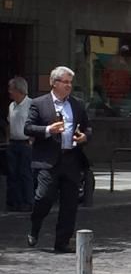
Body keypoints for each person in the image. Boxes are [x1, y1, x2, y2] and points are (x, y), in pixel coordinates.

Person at [25, 66, 91, 252]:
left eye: (71, 82)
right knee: (44, 197)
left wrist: (85, 137)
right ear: (54, 83)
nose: (69, 86)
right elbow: (28, 128)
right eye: (65, 82)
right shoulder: (39, 103)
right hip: (48, 161)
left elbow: (88, 127)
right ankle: (35, 227)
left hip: (71, 159)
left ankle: (62, 241)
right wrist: (48, 130)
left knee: (70, 204)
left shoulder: (77, 104)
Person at [6, 77, 34, 212]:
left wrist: (32, 140)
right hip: (13, 143)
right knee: (13, 174)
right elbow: (9, 123)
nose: (9, 92)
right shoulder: (11, 106)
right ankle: (14, 202)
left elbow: (36, 123)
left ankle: (28, 201)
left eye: (11, 89)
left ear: (19, 90)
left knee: (25, 173)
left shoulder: (31, 104)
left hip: (25, 143)